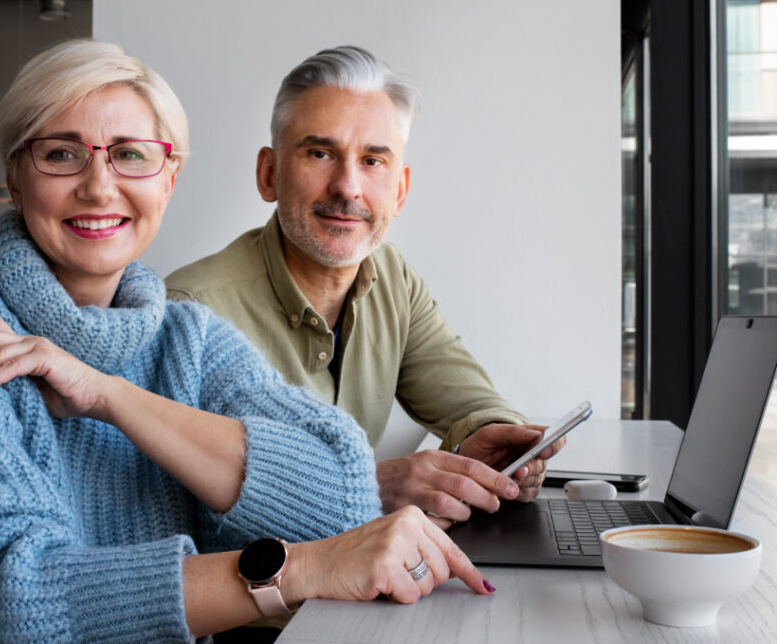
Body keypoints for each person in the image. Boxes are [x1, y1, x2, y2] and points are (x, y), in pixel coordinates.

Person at [0, 40, 495, 643]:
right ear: (14, 174)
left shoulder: (184, 335)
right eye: (62, 153)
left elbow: (339, 495)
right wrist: (296, 569)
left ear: (170, 177)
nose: (99, 186)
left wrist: (114, 397)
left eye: (130, 154)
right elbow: (0, 599)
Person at [167, 46, 564, 528]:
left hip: (361, 590)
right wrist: (370, 485)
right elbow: (174, 520)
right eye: (320, 153)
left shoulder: (391, 276)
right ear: (269, 174)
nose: (348, 187)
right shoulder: (187, 314)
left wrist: (496, 441)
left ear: (399, 191)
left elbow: (468, 399)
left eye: (374, 161)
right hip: (258, 599)